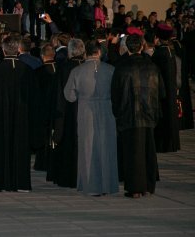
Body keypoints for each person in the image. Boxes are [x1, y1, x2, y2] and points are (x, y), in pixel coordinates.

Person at [0, 34, 38, 192]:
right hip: (22, 117)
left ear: (4, 50)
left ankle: (1, 182)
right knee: (20, 147)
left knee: (1, 148)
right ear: (18, 49)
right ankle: (21, 182)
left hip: (0, 117)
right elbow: (34, 98)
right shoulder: (27, 70)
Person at [111, 34, 164, 198]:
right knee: (148, 149)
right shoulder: (152, 66)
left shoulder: (121, 67)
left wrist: (118, 112)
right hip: (148, 113)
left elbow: (115, 93)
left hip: (128, 114)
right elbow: (161, 92)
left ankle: (135, 188)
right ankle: (148, 184)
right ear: (141, 46)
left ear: (127, 47)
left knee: (132, 151)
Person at [63, 40, 119, 196]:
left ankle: (91, 184)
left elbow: (69, 96)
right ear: (99, 52)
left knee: (88, 148)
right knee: (107, 146)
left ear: (85, 53)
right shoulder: (111, 70)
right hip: (107, 110)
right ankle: (108, 184)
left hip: (86, 111)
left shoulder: (77, 71)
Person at [49, 39, 85, 188]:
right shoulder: (87, 67)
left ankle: (66, 176)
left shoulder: (63, 68)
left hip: (67, 112)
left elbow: (59, 93)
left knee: (67, 143)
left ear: (70, 52)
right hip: (84, 110)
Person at [151, 24, 181, 153]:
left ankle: (164, 145)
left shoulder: (159, 53)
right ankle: (172, 143)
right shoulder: (170, 51)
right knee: (171, 116)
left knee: (164, 118)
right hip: (171, 89)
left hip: (162, 90)